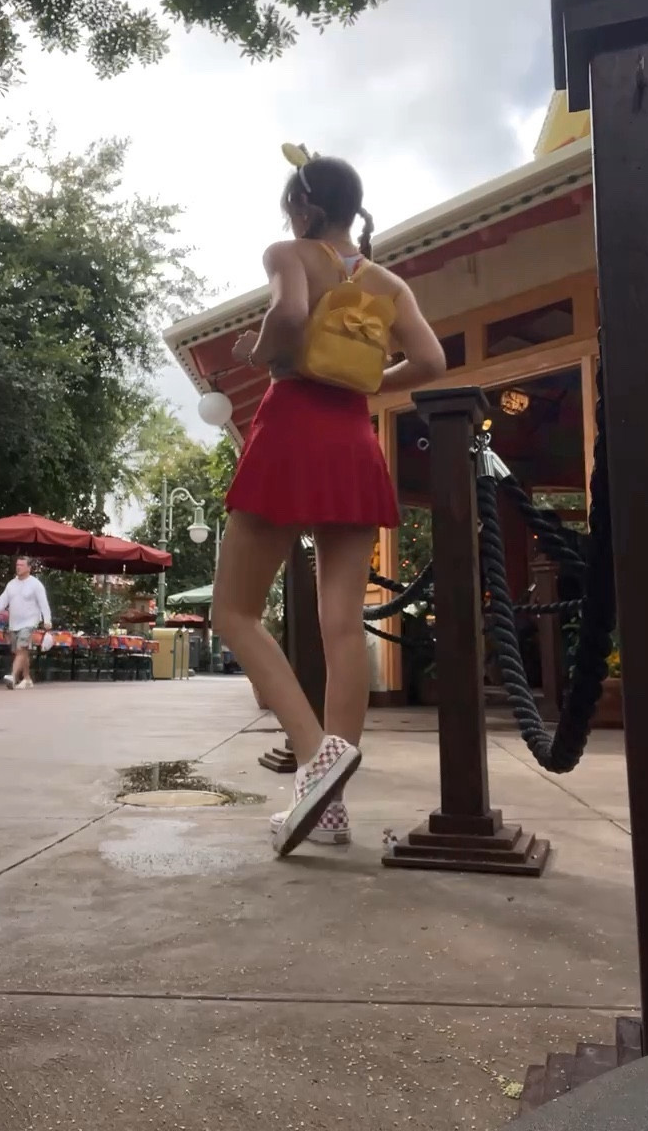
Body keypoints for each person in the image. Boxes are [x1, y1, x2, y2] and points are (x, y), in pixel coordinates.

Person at [212, 150, 446, 857]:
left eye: (290, 208)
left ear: (306, 209)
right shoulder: (388, 281)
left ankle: (317, 755)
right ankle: (331, 806)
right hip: (351, 439)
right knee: (344, 626)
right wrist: (364, 384)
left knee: (233, 611)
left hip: (290, 433)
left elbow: (286, 317)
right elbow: (432, 362)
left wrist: (260, 352)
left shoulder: (289, 252)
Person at [0, 557, 52, 690]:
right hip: (14, 623)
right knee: (21, 651)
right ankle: (27, 679)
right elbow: (3, 600)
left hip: (29, 622)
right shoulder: (11, 584)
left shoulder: (35, 584)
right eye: (17, 565)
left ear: (29, 568)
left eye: (21, 565)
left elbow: (43, 603)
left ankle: (13, 676)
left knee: (21, 648)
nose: (18, 567)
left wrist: (47, 620)